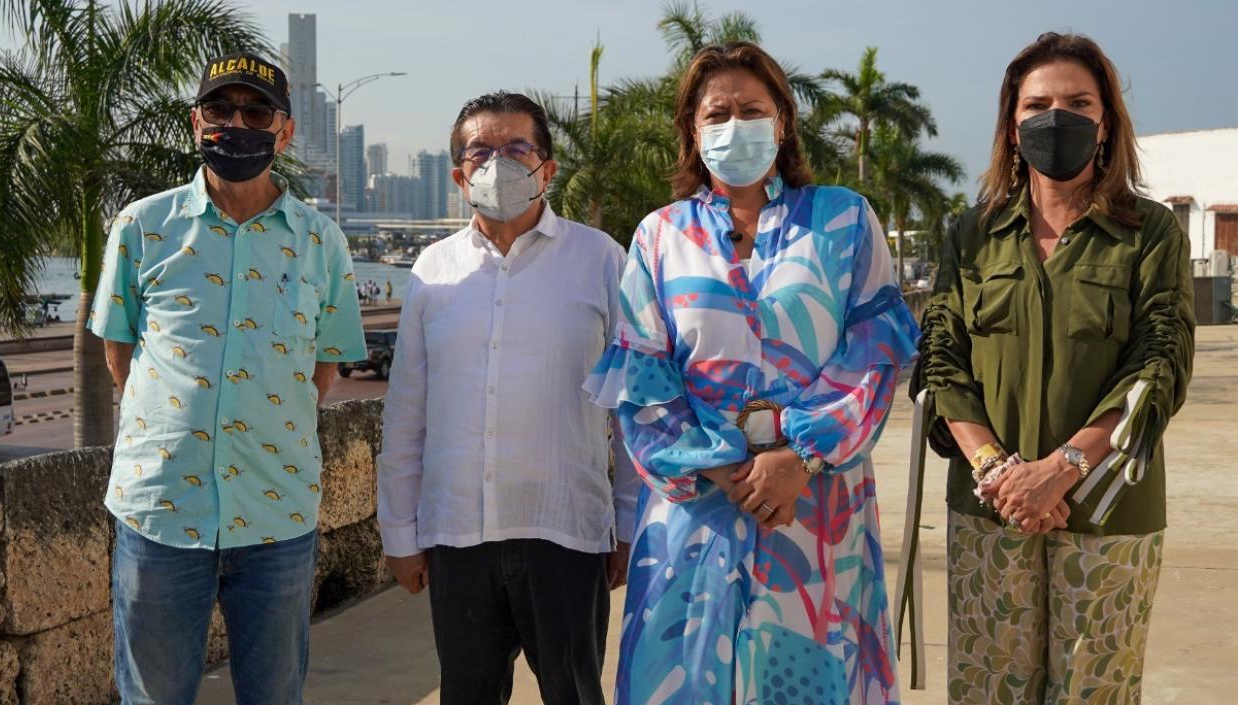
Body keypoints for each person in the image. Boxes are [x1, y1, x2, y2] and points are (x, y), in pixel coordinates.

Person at [584, 42, 916, 705]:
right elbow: (641, 375)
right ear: (691, 129)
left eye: (752, 109)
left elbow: (874, 351)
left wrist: (802, 455)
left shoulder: (845, 221)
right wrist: (726, 467)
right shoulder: (659, 237)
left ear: (784, 122)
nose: (735, 125)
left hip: (817, 508)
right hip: (694, 513)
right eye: (718, 112)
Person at [904, 32, 1195, 704]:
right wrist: (1000, 472)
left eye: (1077, 102)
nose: (1055, 117)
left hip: (1108, 509)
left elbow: (1159, 362)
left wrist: (1061, 467)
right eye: (1037, 104)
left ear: (1106, 122)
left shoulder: (1151, 232)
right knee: (987, 689)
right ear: (1011, 127)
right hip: (989, 511)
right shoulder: (969, 233)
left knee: (1097, 690)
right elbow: (942, 358)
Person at [90, 52, 366, 704]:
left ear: (285, 130)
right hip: (161, 513)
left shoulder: (320, 243)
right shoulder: (142, 227)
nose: (235, 122)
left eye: (255, 110)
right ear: (195, 121)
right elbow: (119, 352)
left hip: (276, 517)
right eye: (219, 108)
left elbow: (324, 367)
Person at [376, 92, 639, 705]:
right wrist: (399, 531)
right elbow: (407, 408)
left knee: (574, 693)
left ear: (547, 167)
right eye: (481, 151)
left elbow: (631, 404)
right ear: (459, 175)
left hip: (566, 531)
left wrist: (630, 521)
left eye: (517, 148)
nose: (498, 163)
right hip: (456, 534)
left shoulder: (600, 259)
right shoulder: (431, 270)